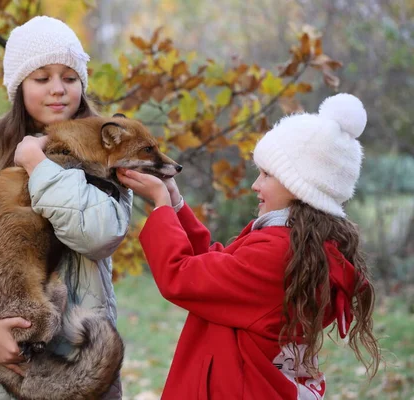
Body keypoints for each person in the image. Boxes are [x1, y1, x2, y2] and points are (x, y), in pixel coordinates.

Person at [117, 93, 381, 399]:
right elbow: (218, 273)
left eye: (267, 174)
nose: (256, 184)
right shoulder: (297, 243)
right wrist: (176, 204)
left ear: (299, 187)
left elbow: (181, 277)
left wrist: (161, 205)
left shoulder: (277, 252)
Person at [0, 16, 131, 399]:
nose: (58, 90)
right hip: (1, 374)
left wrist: (40, 167)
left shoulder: (108, 155)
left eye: (70, 78)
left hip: (82, 366)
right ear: (19, 87)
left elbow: (99, 235)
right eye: (42, 78)